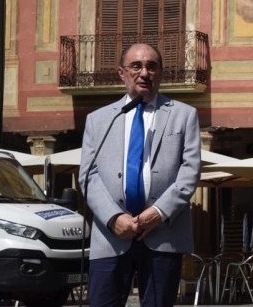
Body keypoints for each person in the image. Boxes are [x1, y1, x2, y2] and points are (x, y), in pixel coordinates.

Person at [79, 43, 201, 307]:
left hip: (163, 233)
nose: (144, 72)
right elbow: (88, 176)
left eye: (151, 66)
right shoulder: (99, 119)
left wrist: (158, 211)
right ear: (122, 73)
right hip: (111, 236)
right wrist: (114, 218)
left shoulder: (184, 115)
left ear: (160, 73)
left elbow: (190, 171)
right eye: (136, 66)